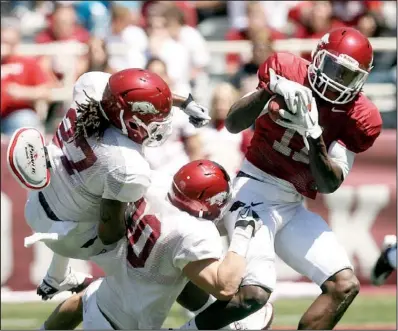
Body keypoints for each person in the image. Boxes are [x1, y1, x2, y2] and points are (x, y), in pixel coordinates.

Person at [179, 27, 383, 330]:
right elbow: (234, 124)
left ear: (362, 79)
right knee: (253, 293)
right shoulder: (285, 69)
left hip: (292, 204)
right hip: (254, 188)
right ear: (316, 58)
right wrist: (269, 89)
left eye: (346, 76)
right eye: (332, 69)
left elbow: (329, 183)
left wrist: (314, 136)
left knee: (344, 284)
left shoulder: (360, 116)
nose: (335, 81)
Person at [7, 68, 211, 301]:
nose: (160, 123)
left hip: (39, 201)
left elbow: (126, 90)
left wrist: (185, 103)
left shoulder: (92, 86)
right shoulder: (125, 164)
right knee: (164, 233)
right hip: (71, 237)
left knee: (89, 191)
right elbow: (110, 233)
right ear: (127, 120)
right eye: (153, 119)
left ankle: (56, 276)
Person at [40, 160, 270, 330]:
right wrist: (243, 231)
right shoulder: (193, 231)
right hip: (129, 324)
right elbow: (225, 287)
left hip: (106, 297)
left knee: (83, 301)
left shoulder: (153, 186)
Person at [144, 57, 203, 175]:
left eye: (161, 74)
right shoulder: (135, 108)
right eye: (153, 75)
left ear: (168, 78)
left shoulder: (182, 108)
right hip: (146, 173)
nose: (158, 79)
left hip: (176, 173)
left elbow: (195, 147)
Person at [1, 17, 51, 135]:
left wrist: (22, 92)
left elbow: (46, 92)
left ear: (16, 42)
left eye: (9, 42)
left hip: (15, 115)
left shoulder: (28, 63)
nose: (4, 46)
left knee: (26, 120)